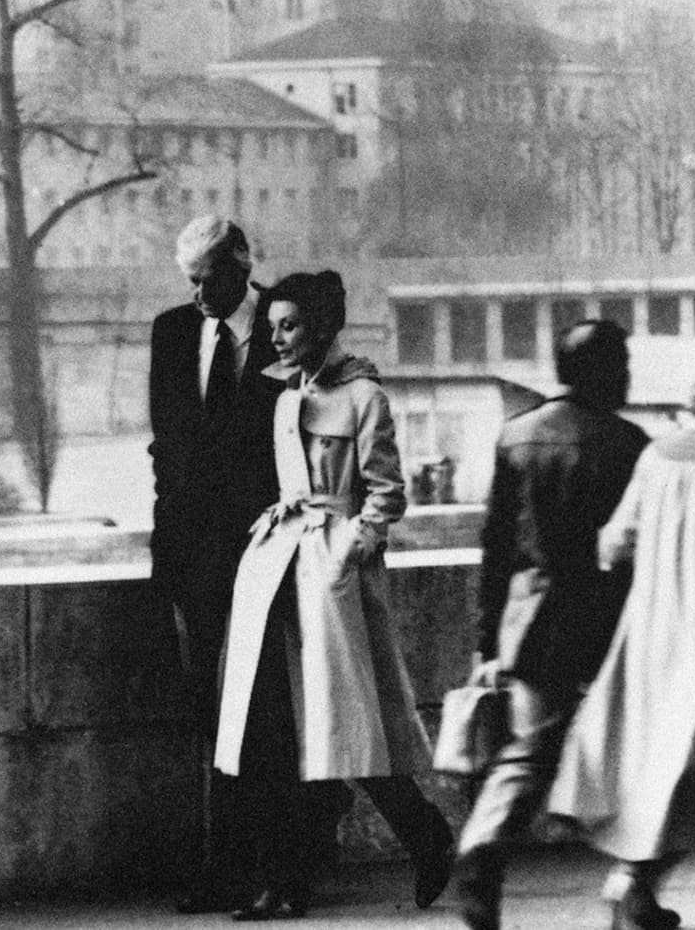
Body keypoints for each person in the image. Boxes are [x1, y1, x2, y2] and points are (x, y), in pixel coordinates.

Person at [214, 269, 454, 920]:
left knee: (346, 724)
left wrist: (349, 551)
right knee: (279, 729)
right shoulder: (287, 393)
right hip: (279, 565)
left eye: (289, 326)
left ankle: (425, 833)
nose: (278, 339)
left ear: (323, 326)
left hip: (331, 573)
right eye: (272, 328)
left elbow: (387, 494)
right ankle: (287, 877)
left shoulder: (363, 396)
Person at [453, 319, 650, 930]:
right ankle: (635, 888)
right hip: (610, 618)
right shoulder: (629, 443)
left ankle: (483, 846)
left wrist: (488, 640)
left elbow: (496, 551)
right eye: (620, 364)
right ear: (599, 372)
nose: (627, 376)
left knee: (527, 752)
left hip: (533, 616)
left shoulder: (517, 437)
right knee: (642, 754)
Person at [550, 345, 695, 930]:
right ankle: (639, 887)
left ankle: (633, 885)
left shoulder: (660, 455)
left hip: (661, 639)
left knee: (676, 777)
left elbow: (612, 546)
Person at [149, 215, 285, 911]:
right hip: (196, 556)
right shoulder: (172, 332)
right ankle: (230, 866)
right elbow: (165, 448)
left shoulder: (284, 327)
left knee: (265, 713)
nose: (200, 296)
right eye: (191, 283)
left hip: (267, 548)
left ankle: (272, 867)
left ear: (241, 264)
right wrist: (167, 537)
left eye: (209, 280)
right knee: (214, 713)